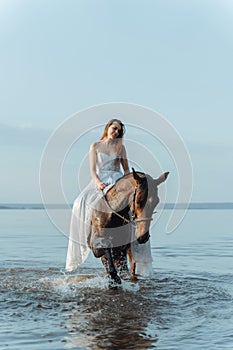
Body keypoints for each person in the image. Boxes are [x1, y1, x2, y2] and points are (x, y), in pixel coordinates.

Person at [65, 118, 153, 274]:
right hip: (100, 179)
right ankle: (87, 234)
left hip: (117, 179)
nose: (116, 132)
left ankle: (135, 240)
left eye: (119, 130)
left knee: (134, 207)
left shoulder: (121, 147)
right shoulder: (95, 146)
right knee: (80, 202)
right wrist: (98, 182)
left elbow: (126, 170)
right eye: (114, 128)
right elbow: (92, 169)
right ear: (107, 128)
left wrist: (128, 184)